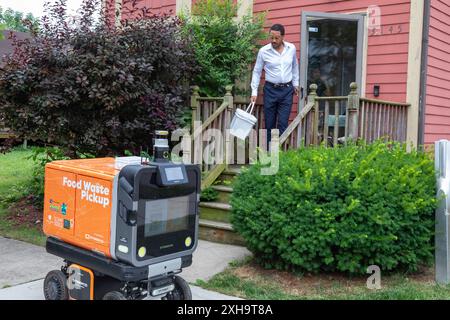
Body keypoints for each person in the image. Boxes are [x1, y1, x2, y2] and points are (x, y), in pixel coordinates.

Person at [250, 24, 299, 148]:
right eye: (271, 37)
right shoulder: (264, 51)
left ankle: (280, 154)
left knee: (283, 124)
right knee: (270, 123)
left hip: (287, 90)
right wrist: (254, 92)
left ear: (283, 37)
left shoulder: (291, 48)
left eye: (276, 38)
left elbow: (294, 67)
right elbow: (256, 71)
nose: (273, 40)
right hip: (270, 90)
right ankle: (268, 155)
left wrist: (296, 84)